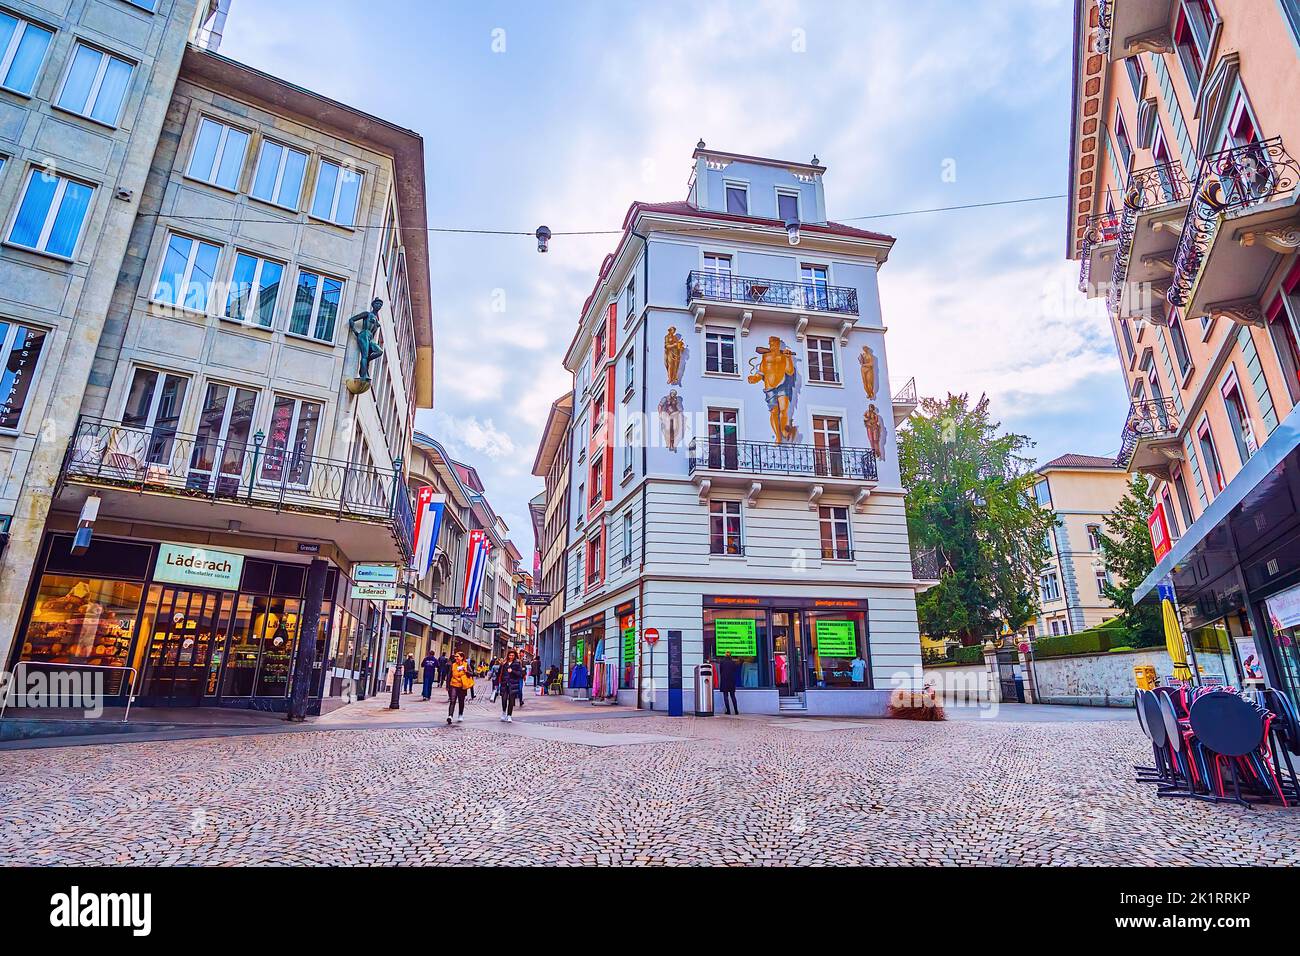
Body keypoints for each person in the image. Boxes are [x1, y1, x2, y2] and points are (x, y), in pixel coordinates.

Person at [446, 652, 473, 724]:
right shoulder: (453, 665)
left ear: (462, 657)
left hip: (462, 685)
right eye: (455, 657)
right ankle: (450, 716)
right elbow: (449, 675)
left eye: (457, 656)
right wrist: (447, 685)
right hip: (454, 684)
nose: (456, 658)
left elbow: (472, 674)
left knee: (461, 701)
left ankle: (460, 715)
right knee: (452, 700)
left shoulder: (466, 665)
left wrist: (466, 671)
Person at [498, 650, 525, 723]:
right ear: (508, 655)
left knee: (511, 700)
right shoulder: (504, 663)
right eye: (510, 655)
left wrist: (512, 671)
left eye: (512, 655)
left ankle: (509, 715)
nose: (511, 657)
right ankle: (504, 713)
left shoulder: (517, 663)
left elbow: (520, 674)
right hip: (504, 684)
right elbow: (500, 673)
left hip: (513, 684)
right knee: (504, 699)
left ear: (515, 656)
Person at [717, 651, 741, 715]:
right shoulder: (733, 662)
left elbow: (720, 671)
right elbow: (735, 670)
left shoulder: (722, 662)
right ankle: (736, 711)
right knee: (733, 695)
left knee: (725, 695)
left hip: (724, 680)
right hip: (731, 680)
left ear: (725, 655)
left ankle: (728, 711)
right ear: (730, 655)